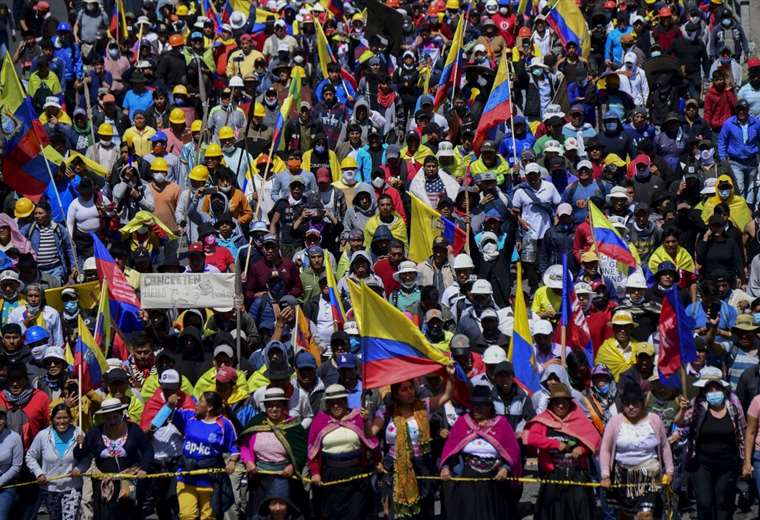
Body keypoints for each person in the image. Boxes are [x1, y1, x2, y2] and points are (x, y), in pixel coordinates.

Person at [439, 384, 522, 519]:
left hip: (495, 476)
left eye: (480, 405)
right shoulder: (463, 422)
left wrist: (506, 468)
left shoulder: (501, 423)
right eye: (474, 405)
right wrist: (446, 467)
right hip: (468, 476)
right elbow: (450, 448)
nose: (476, 409)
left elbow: (513, 451)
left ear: (489, 406)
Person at [524, 383, 601, 520]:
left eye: (564, 402)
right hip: (553, 475)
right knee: (553, 512)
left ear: (570, 403)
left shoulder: (580, 420)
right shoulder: (543, 421)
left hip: (577, 475)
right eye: (557, 402)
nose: (561, 406)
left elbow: (595, 441)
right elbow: (529, 438)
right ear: (551, 404)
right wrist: (553, 444)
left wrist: (582, 449)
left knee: (579, 513)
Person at [599, 383, 673, 519]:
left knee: (646, 515)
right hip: (622, 477)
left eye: (635, 403)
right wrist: (605, 475)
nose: (631, 407)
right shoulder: (614, 422)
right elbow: (605, 450)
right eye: (627, 403)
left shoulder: (654, 420)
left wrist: (669, 471)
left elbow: (664, 446)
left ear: (642, 402)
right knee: (626, 516)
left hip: (649, 477)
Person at [680, 367, 745, 520]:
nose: (713, 391)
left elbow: (742, 434)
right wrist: (682, 410)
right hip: (702, 464)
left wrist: (744, 462)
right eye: (709, 388)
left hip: (727, 464)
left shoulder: (733, 406)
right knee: (705, 502)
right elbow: (682, 423)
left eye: (717, 387)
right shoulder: (697, 405)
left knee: (723, 504)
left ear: (723, 388)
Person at [307, 384, 378, 520]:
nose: (336, 405)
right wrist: (315, 473)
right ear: (327, 404)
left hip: (356, 474)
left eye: (339, 401)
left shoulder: (358, 417)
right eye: (332, 402)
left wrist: (377, 461)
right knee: (333, 513)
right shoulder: (319, 421)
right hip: (330, 475)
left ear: (346, 401)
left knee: (356, 513)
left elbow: (371, 442)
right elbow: (312, 452)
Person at [73, 397, 153, 517]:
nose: (112, 421)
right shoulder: (95, 433)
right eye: (108, 418)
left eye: (115, 417)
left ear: (121, 415)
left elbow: (148, 450)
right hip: (105, 485)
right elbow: (79, 455)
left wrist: (144, 468)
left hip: (129, 482)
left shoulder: (133, 430)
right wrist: (81, 444)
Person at [240, 387, 307, 516]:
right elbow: (245, 445)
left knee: (281, 511)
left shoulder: (294, 426)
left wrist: (292, 467)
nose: (274, 409)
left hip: (284, 476)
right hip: (260, 475)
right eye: (270, 406)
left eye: (278, 405)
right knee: (260, 512)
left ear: (284, 406)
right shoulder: (256, 422)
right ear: (265, 407)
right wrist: (249, 462)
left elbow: (301, 451)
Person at [25, 403, 83, 520]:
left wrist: (79, 468)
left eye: (65, 418)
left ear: (71, 419)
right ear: (52, 420)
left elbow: (87, 457)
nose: (62, 422)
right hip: (50, 488)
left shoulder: (79, 434)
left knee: (69, 518)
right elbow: (30, 456)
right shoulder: (43, 435)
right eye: (58, 418)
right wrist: (39, 473)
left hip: (72, 488)